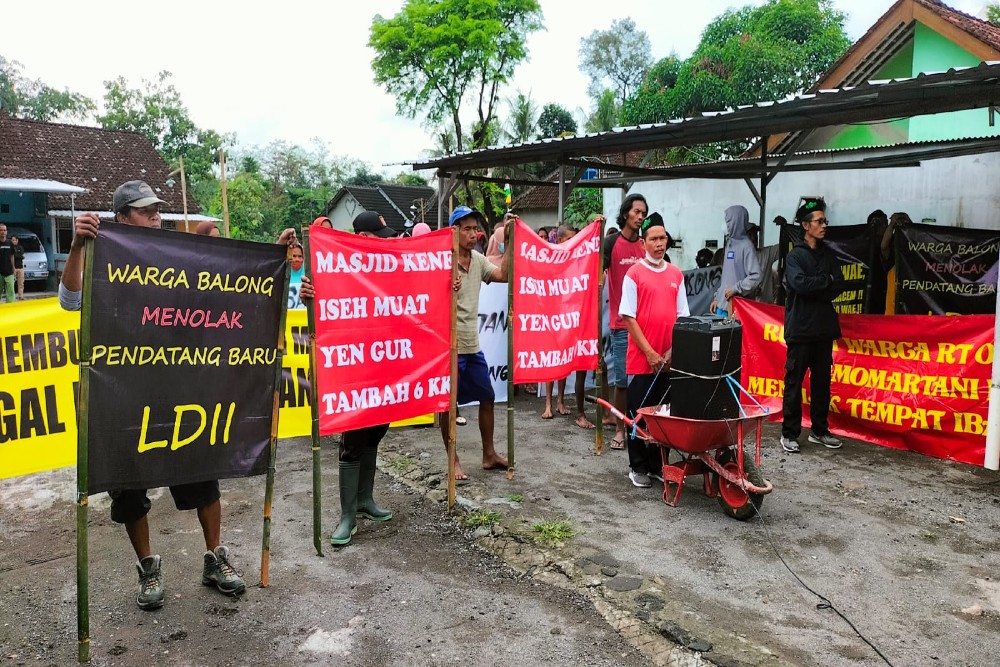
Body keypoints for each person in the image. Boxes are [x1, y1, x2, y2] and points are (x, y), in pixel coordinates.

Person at [58, 180, 311, 610]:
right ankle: (148, 569)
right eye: (144, 211)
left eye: (157, 209)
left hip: (183, 392)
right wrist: (80, 247)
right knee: (128, 483)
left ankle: (215, 559)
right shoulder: (106, 251)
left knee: (202, 467)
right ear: (122, 219)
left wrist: (273, 254)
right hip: (125, 396)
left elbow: (236, 287)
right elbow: (69, 301)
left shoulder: (181, 258)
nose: (155, 216)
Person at [330, 211, 400, 546]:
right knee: (352, 440)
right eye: (378, 235)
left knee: (375, 431)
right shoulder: (341, 266)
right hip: (355, 369)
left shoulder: (388, 268)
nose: (384, 241)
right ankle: (347, 516)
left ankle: (364, 501)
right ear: (361, 236)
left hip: (384, 365)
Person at [440, 205, 511, 480]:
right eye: (466, 229)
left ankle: (489, 454)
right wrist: (445, 287)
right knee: (448, 406)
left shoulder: (478, 260)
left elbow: (504, 275)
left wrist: (510, 240)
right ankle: (453, 459)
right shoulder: (443, 261)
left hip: (472, 344)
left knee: (488, 397)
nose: (473, 234)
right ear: (454, 231)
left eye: (474, 228)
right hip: (449, 346)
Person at [619, 215, 689, 487]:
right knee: (639, 415)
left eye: (663, 239)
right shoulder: (634, 274)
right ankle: (637, 466)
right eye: (654, 239)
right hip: (642, 360)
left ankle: (658, 464)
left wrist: (671, 352)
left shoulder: (675, 274)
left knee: (665, 416)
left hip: (670, 361)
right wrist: (649, 352)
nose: (660, 244)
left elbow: (683, 316)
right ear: (643, 243)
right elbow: (628, 316)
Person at [780, 201, 845, 453]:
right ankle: (790, 433)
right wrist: (823, 282)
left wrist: (818, 285)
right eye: (819, 221)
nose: (824, 225)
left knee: (822, 383)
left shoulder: (829, 254)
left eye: (824, 221)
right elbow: (798, 284)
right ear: (806, 226)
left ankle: (819, 430)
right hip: (800, 330)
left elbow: (838, 285)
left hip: (823, 329)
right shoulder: (795, 256)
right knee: (794, 383)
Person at [601, 194, 648, 450]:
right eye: (636, 211)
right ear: (626, 213)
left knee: (641, 379)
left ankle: (639, 426)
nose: (640, 216)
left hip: (645, 325)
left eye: (643, 213)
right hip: (621, 325)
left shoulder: (645, 245)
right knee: (621, 380)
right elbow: (596, 268)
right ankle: (620, 429)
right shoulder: (611, 242)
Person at [539, 224, 596, 429]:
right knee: (553, 359)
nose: (575, 242)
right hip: (555, 316)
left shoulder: (581, 261)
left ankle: (560, 401)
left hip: (575, 317)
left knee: (565, 361)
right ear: (561, 240)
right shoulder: (552, 259)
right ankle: (548, 404)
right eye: (571, 238)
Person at [711, 205, 761, 316]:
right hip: (721, 305)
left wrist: (736, 289)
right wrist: (717, 298)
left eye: (727, 221)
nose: (725, 225)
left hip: (736, 308)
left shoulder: (746, 246)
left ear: (736, 222)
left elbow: (755, 277)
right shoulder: (729, 244)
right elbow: (726, 278)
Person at [0, 224, 13, 304]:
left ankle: (10, 310)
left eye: (4, 230)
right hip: (0, 273)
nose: (3, 232)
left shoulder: (10, 243)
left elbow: (12, 256)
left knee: (11, 292)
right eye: (1, 230)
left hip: (9, 272)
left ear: (6, 232)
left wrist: (14, 268)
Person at [11, 234, 25, 301]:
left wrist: (17, 256)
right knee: (11, 284)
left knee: (21, 283)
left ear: (17, 240)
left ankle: (21, 297)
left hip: (20, 267)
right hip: (12, 268)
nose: (13, 241)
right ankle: (12, 297)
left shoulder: (20, 247)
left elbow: (21, 256)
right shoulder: (10, 248)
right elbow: (12, 256)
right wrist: (19, 256)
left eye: (14, 240)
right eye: (12, 240)